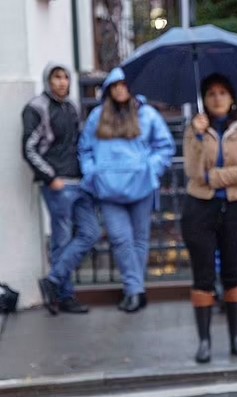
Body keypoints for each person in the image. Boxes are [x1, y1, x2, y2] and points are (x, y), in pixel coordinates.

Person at [79, 67, 175, 312]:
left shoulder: (148, 115)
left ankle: (134, 290)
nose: (120, 89)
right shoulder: (97, 117)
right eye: (115, 85)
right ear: (109, 89)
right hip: (108, 190)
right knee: (121, 240)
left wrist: (150, 170)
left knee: (140, 240)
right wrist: (93, 174)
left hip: (140, 187)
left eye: (124, 84)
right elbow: (85, 149)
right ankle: (135, 290)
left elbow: (164, 146)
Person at [181, 73, 237, 363]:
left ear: (231, 98)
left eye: (222, 93)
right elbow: (192, 170)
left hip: (235, 208)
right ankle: (204, 342)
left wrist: (214, 177)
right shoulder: (195, 129)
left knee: (232, 272)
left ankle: (236, 337)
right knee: (202, 274)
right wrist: (199, 138)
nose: (217, 98)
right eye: (211, 93)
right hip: (199, 208)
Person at [22, 63, 101, 315]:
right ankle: (65, 296)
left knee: (90, 232)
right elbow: (29, 148)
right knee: (62, 240)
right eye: (57, 77)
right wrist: (49, 176)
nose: (62, 82)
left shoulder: (72, 107)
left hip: (80, 182)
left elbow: (80, 141)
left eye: (66, 77)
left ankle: (53, 281)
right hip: (58, 183)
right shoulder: (37, 107)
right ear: (48, 80)